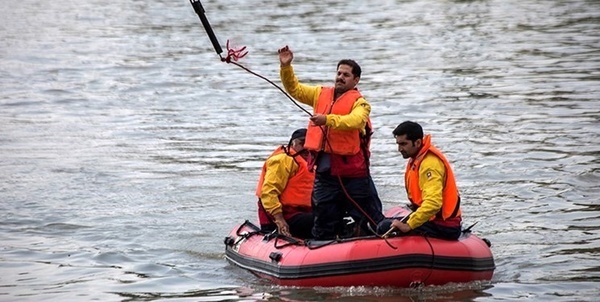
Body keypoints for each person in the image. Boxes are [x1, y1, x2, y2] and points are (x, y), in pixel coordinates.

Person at [278, 45, 384, 240]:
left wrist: (327, 120)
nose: (340, 77)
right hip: (326, 174)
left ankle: (379, 241)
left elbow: (355, 121)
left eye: (346, 75)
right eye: (338, 73)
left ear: (356, 80)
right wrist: (286, 67)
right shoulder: (320, 94)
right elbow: (295, 89)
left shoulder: (361, 104)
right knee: (323, 220)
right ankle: (320, 252)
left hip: (355, 174)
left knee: (371, 216)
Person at [377, 121, 462, 240]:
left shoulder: (429, 165)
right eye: (398, 144)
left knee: (384, 227)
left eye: (403, 144)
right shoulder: (418, 159)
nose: (399, 149)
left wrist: (408, 225)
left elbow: (434, 203)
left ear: (417, 142)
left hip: (444, 226)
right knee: (383, 223)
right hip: (434, 220)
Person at [256, 128, 315, 239]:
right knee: (322, 221)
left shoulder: (313, 161)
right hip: (285, 214)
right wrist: (280, 219)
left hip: (303, 213)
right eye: (303, 143)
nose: (307, 147)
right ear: (293, 143)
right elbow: (269, 192)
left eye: (310, 143)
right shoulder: (283, 160)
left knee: (331, 218)